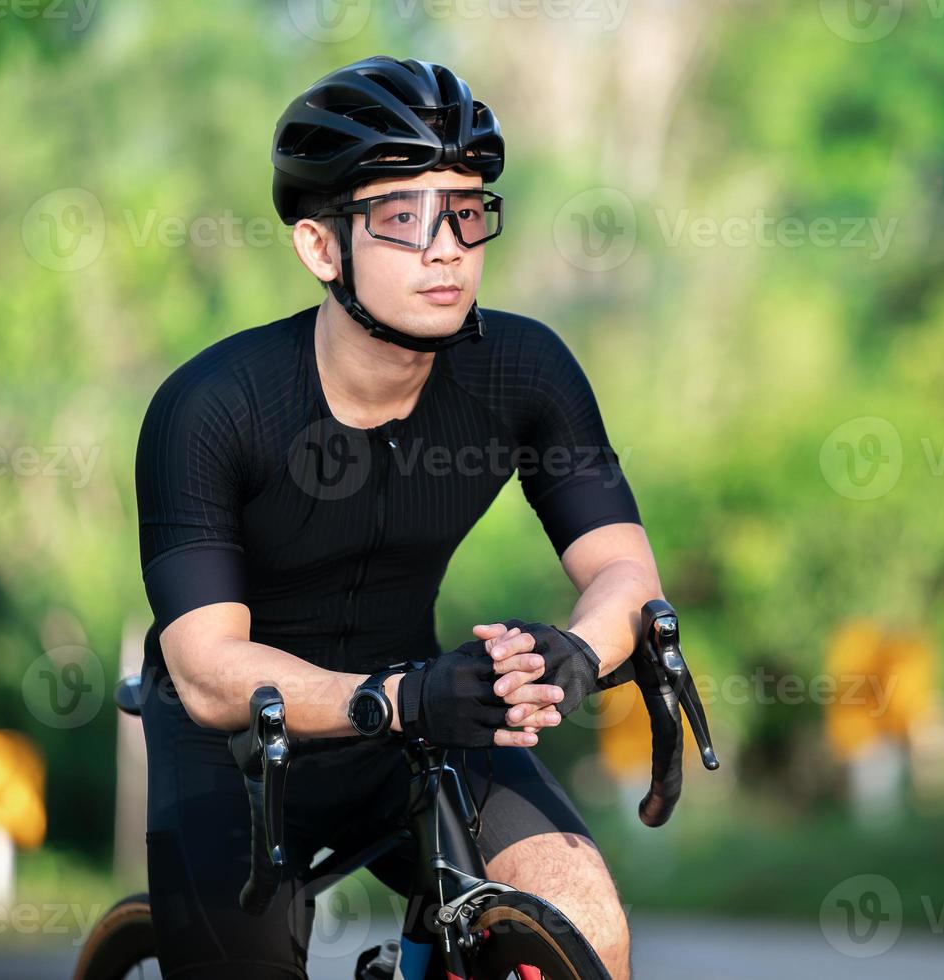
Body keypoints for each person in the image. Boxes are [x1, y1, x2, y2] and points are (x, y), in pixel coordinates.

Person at [134, 55, 656, 979]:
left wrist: (576, 653)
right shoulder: (212, 405)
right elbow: (211, 671)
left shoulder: (522, 372)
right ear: (320, 248)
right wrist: (403, 695)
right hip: (238, 754)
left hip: (417, 723)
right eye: (401, 218)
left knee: (586, 922)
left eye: (465, 210)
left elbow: (626, 577)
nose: (446, 246)